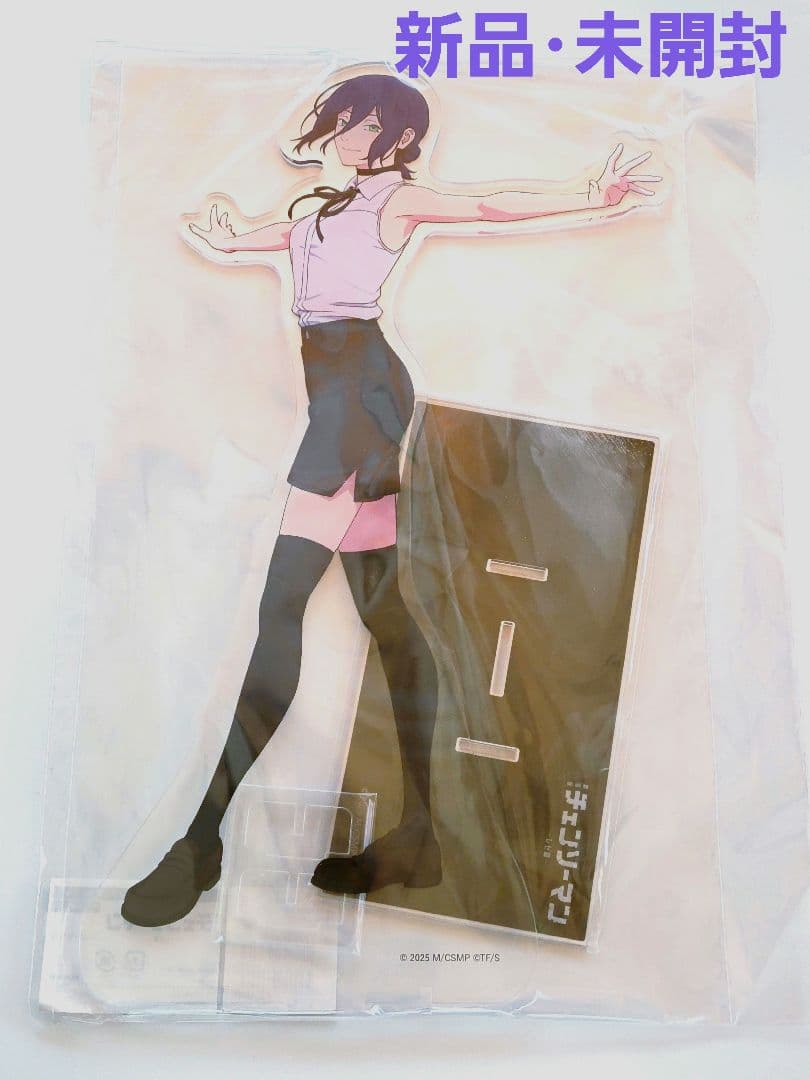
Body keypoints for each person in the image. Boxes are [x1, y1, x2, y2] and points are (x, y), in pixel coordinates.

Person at [121, 72, 661, 928]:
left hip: (359, 401)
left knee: (283, 607)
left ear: (400, 138)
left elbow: (484, 207)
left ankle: (202, 839)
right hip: (339, 393)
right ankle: (421, 834)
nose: (349, 135)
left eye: (367, 126)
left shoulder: (396, 202)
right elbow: (265, 241)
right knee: (390, 621)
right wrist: (226, 235)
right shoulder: (318, 207)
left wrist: (593, 196)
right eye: (344, 121)